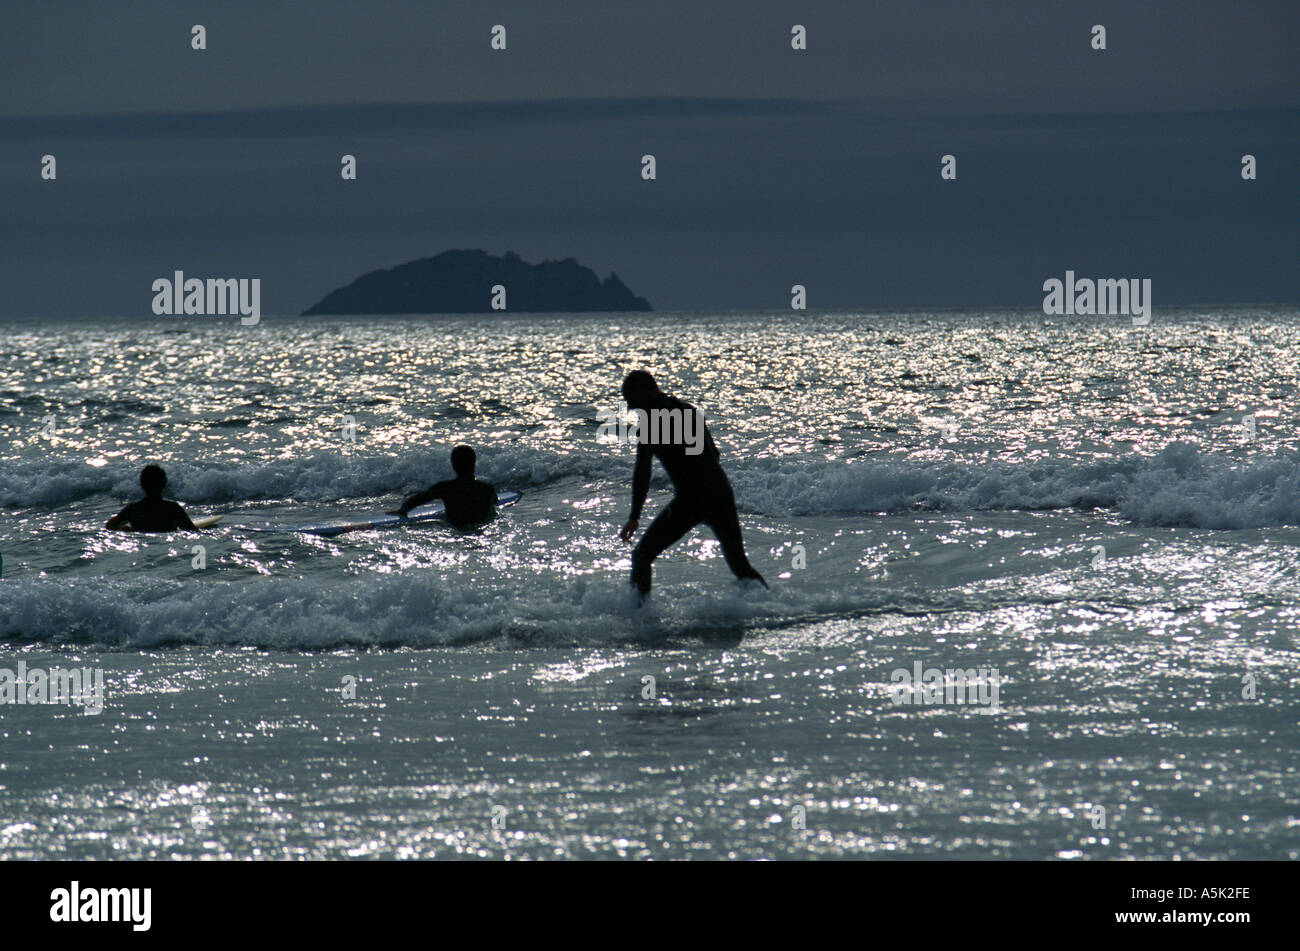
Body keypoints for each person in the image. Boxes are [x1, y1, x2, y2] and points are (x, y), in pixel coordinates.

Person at [617, 370, 767, 600]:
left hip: (692, 499)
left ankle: (639, 618)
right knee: (739, 564)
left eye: (632, 401)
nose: (630, 408)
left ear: (649, 391)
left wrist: (634, 515)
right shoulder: (687, 411)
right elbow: (713, 454)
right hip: (720, 492)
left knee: (642, 555)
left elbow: (643, 471)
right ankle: (771, 606)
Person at [388, 445, 499, 529]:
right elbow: (494, 504)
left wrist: (402, 510)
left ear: (453, 465)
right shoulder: (488, 488)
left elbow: (418, 499)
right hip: (481, 528)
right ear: (474, 464)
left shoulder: (445, 488)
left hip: (455, 528)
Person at [106, 464, 199, 532]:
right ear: (164, 484)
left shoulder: (133, 509)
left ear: (142, 485)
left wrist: (122, 529)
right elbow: (193, 531)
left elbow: (109, 525)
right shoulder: (173, 509)